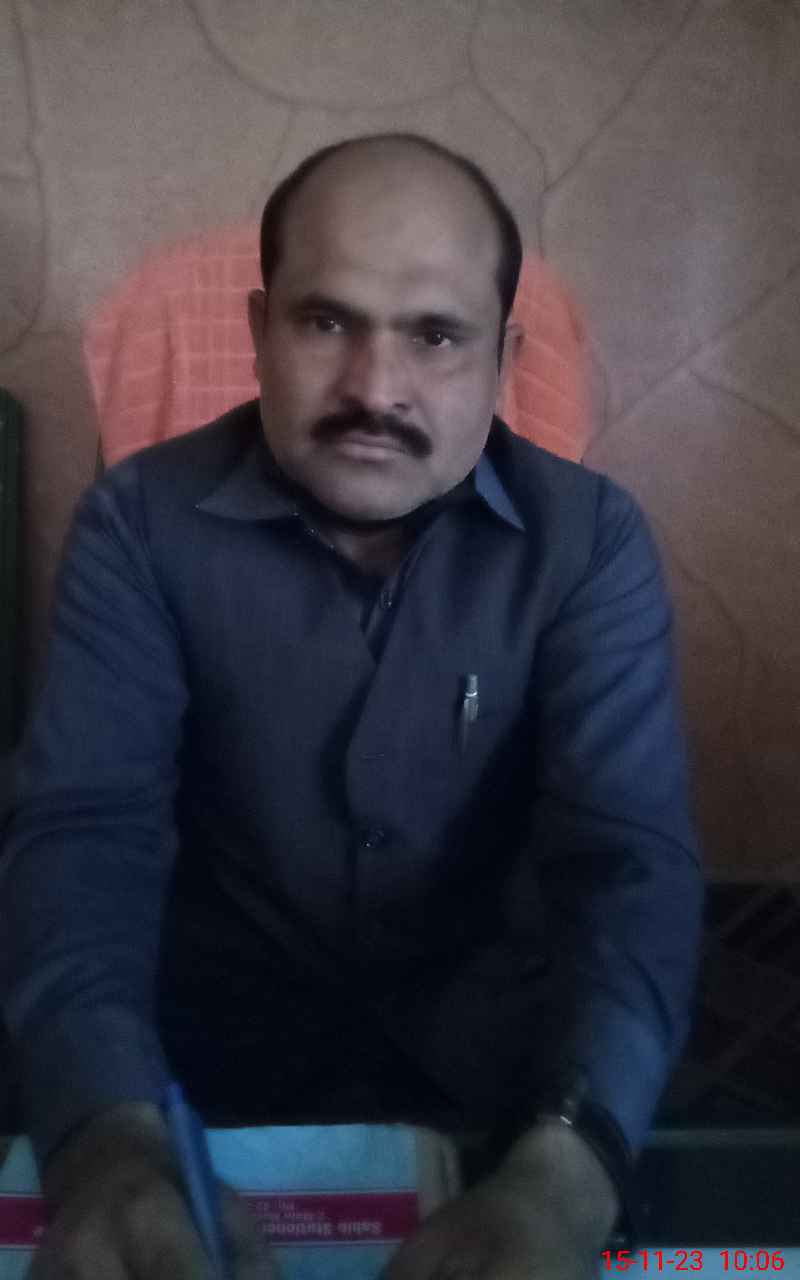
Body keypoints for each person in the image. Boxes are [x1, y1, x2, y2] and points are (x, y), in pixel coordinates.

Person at [1, 132, 703, 1279]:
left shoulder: (588, 543)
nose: (375, 388)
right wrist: (104, 1142)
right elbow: (84, 834)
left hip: (509, 1093)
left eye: (435, 334)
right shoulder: (138, 525)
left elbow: (627, 859)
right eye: (326, 320)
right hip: (192, 1097)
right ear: (258, 328)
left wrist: (566, 1175)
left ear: (502, 357)